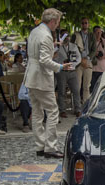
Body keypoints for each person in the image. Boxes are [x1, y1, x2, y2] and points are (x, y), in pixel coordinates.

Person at [23, 8, 72, 159]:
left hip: (31, 76)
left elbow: (37, 53)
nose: (57, 26)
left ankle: (40, 145)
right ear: (52, 21)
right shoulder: (46, 35)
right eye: (57, 23)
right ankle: (50, 147)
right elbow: (44, 60)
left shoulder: (35, 31)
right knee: (52, 111)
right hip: (41, 78)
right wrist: (61, 67)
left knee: (37, 113)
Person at [54, 29, 82, 118]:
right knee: (61, 91)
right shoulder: (57, 47)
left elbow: (79, 58)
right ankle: (62, 110)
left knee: (76, 90)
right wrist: (62, 64)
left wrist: (72, 64)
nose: (66, 37)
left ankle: (77, 109)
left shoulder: (73, 46)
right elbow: (53, 59)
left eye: (67, 35)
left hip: (72, 71)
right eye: (63, 36)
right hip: (62, 71)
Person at [71, 17, 97, 103]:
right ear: (81, 24)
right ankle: (77, 105)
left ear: (88, 24)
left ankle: (86, 103)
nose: (84, 24)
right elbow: (71, 48)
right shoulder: (75, 35)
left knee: (87, 86)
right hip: (78, 63)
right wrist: (80, 60)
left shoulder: (92, 35)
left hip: (88, 62)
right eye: (83, 23)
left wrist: (88, 58)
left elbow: (94, 49)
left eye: (86, 23)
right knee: (77, 85)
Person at [91, 25, 105, 92]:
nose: (99, 34)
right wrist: (94, 54)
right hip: (92, 69)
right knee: (92, 89)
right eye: (97, 32)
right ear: (93, 33)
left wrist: (103, 57)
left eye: (100, 32)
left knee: (102, 89)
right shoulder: (89, 42)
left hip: (102, 70)